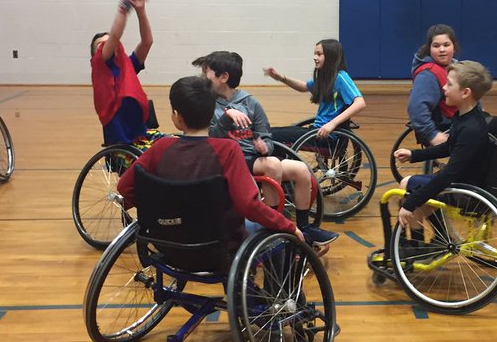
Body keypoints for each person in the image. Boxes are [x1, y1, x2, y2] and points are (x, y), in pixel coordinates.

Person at [116, 75, 305, 255]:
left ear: (177, 117)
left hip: (167, 242)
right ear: (212, 113)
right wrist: (287, 225)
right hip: (219, 246)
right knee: (278, 237)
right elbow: (248, 205)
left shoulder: (160, 148)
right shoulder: (228, 150)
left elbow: (125, 188)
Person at [192, 50, 338, 251]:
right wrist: (227, 117)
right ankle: (272, 230)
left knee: (301, 170)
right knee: (272, 164)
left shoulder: (250, 102)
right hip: (227, 162)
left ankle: (304, 227)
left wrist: (264, 146)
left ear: (223, 77)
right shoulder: (207, 103)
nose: (203, 76)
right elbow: (211, 138)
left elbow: (266, 136)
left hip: (252, 159)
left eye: (206, 72)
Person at [393, 60, 494, 229]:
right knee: (414, 185)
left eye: (449, 84)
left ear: (465, 92)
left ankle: (419, 245)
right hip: (466, 180)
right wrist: (414, 155)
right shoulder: (469, 117)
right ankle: (438, 240)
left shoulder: (470, 129)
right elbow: (448, 147)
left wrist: (410, 204)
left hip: (466, 190)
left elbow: (449, 174)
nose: (444, 88)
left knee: (408, 187)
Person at [89, 0, 159, 147]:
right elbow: (114, 36)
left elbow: (147, 42)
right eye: (101, 45)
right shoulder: (99, 66)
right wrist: (124, 7)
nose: (108, 46)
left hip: (142, 135)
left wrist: (141, 12)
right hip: (121, 144)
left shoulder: (126, 66)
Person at [264, 39, 365, 145]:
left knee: (269, 135)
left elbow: (360, 103)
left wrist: (332, 124)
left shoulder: (341, 77)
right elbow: (304, 86)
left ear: (330, 56)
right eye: (314, 54)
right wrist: (281, 78)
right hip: (316, 131)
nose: (314, 57)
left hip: (327, 136)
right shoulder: (326, 79)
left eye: (319, 54)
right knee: (269, 133)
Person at [408, 24, 460, 147]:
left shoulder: (457, 67)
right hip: (446, 125)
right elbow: (416, 108)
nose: (442, 49)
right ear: (429, 49)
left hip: (463, 119)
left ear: (454, 47)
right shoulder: (427, 75)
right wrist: (432, 134)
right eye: (436, 46)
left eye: (446, 45)